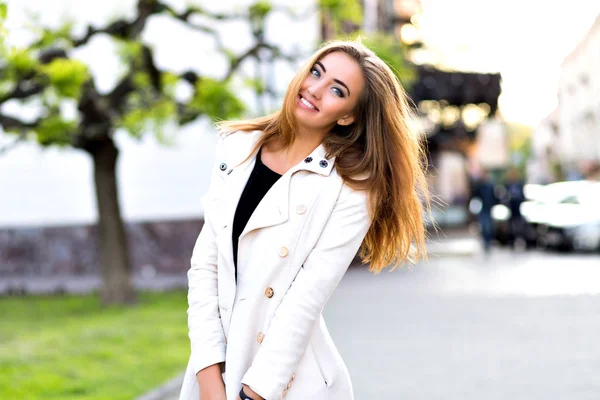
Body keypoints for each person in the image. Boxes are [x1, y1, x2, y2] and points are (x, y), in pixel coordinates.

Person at [179, 40, 430, 400]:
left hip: (286, 382)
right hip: (213, 371)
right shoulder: (237, 147)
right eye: (316, 72)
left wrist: (254, 393)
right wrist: (208, 375)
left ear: (347, 116)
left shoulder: (351, 189)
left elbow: (306, 299)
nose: (315, 89)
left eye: (337, 90)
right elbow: (205, 266)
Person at [473, 170, 497, 254]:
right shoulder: (480, 186)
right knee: (484, 226)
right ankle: (485, 242)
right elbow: (475, 196)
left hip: (489, 209)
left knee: (489, 227)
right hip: (482, 209)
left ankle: (488, 242)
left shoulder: (490, 186)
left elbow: (494, 197)